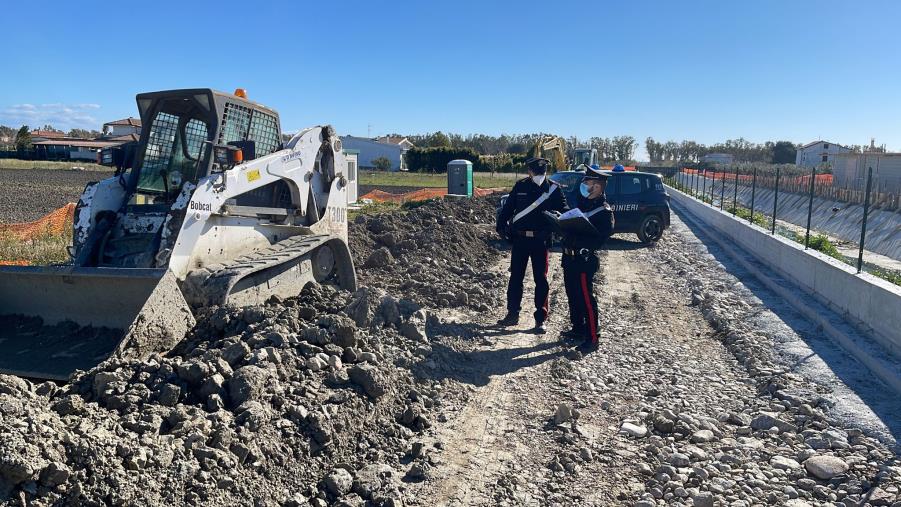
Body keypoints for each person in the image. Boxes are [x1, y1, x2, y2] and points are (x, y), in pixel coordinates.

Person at [495, 157, 567, 332]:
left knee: (541, 280)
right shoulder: (520, 186)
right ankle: (512, 314)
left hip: (540, 241)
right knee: (516, 278)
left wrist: (558, 223)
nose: (538, 174)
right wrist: (501, 227)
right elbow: (507, 209)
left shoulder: (553, 189)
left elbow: (564, 211)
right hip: (520, 240)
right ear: (531, 171)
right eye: (537, 171)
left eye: (541, 171)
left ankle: (540, 319)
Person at [559, 165, 614, 353]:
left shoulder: (604, 211)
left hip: (584, 261)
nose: (584, 185)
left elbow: (599, 238)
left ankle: (592, 337)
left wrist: (578, 239)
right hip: (570, 259)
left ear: (597, 186)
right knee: (572, 296)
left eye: (587, 182)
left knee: (586, 300)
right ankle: (578, 329)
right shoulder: (584, 204)